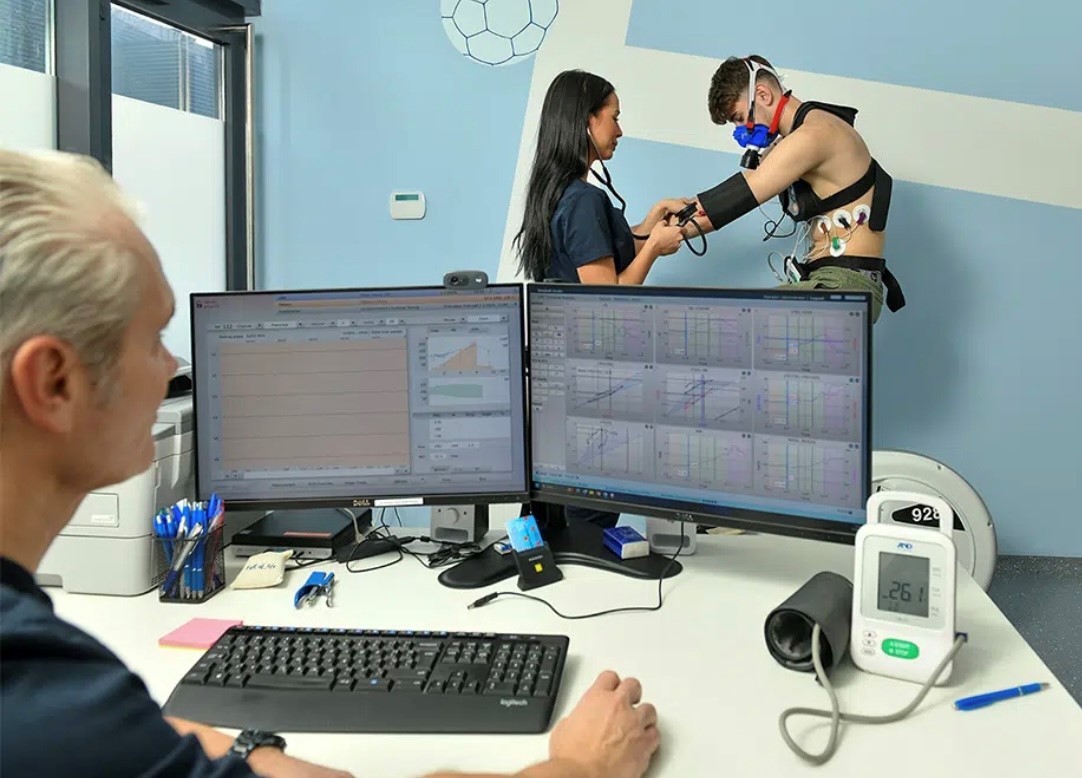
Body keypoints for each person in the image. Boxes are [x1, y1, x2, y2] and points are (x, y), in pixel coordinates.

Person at [0, 149, 660, 778]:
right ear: (53, 381)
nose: (174, 366)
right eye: (152, 339)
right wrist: (583, 767)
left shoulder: (50, 686)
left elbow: (139, 743)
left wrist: (246, 751)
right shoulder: (39, 694)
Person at [513, 69, 688, 529]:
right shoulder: (585, 200)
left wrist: (650, 221)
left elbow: (591, 260)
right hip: (591, 388)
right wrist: (654, 248)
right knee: (588, 519)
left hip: (560, 386)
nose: (620, 130)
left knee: (557, 515)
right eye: (614, 117)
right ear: (586, 121)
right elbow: (606, 300)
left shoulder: (555, 193)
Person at [683, 55, 905, 323]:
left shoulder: (812, 136)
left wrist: (659, 235)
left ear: (763, 95)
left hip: (844, 285)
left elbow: (735, 199)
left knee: (727, 324)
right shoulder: (805, 131)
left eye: (740, 118)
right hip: (832, 281)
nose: (741, 130)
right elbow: (740, 186)